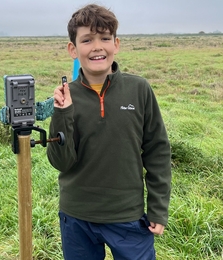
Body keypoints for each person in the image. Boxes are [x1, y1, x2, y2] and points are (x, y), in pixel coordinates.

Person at [46, 4, 172, 260]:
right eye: (87, 40)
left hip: (128, 217)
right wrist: (63, 113)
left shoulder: (139, 89)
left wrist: (158, 208)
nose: (97, 47)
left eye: (105, 38)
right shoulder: (66, 96)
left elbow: (157, 150)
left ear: (116, 44)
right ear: (73, 49)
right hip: (77, 217)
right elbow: (61, 162)